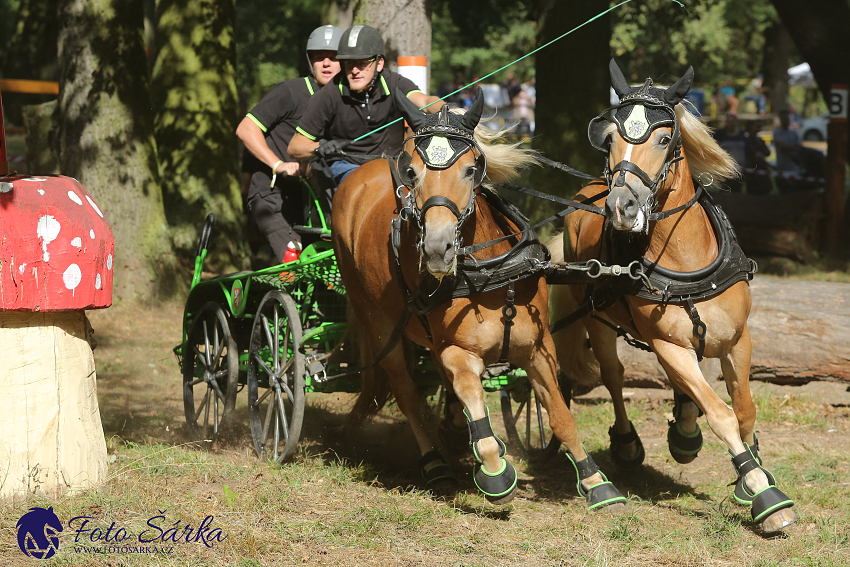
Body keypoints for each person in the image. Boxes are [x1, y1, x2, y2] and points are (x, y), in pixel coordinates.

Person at [235, 25, 343, 263]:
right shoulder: (291, 92)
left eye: (333, 58)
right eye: (319, 58)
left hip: (314, 202)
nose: (326, 63)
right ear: (310, 63)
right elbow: (246, 128)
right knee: (293, 260)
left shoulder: (345, 103)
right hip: (273, 197)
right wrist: (278, 165)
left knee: (325, 268)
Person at [288, 25, 444, 186]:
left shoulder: (394, 83)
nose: (355, 70)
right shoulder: (328, 95)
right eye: (349, 63)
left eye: (362, 63)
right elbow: (294, 147)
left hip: (393, 166)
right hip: (346, 168)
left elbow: (425, 102)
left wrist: (447, 110)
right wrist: (319, 147)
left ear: (379, 63)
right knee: (366, 184)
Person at [713, 113, 746, 192]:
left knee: (737, 191)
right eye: (729, 121)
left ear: (736, 122)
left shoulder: (742, 134)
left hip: (740, 168)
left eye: (733, 121)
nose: (731, 124)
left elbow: (746, 149)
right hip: (725, 169)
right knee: (725, 192)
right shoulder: (719, 134)